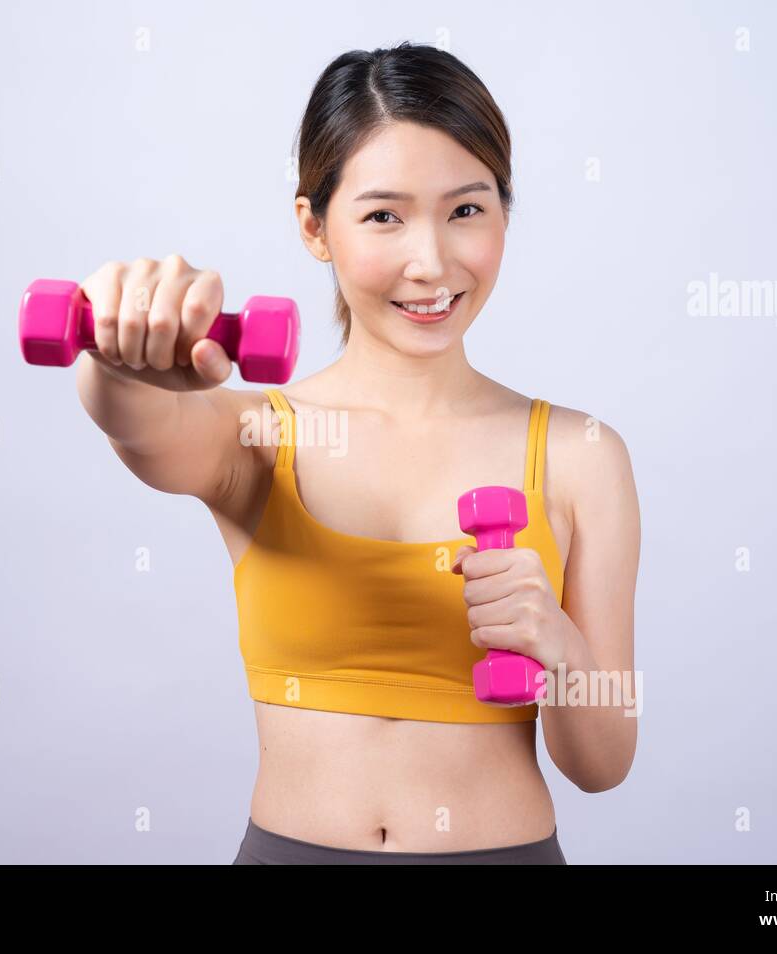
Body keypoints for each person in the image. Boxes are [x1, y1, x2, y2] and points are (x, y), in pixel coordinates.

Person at [75, 41, 640, 864]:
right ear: (314, 226)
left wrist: (559, 647)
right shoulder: (255, 435)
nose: (432, 262)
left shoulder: (583, 455)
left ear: (504, 214)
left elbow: (603, 765)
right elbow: (137, 422)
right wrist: (118, 349)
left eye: (467, 210)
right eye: (384, 215)